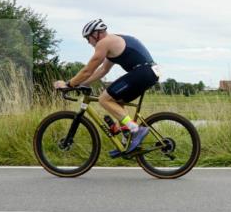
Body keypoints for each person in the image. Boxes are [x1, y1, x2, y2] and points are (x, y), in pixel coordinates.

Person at [54, 19, 159, 154]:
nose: (88, 42)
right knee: (116, 102)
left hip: (143, 72)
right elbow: (103, 70)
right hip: (149, 72)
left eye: (88, 38)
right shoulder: (112, 42)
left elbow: (88, 70)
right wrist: (81, 84)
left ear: (96, 34)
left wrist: (69, 84)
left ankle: (136, 129)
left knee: (104, 99)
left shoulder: (104, 42)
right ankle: (127, 140)